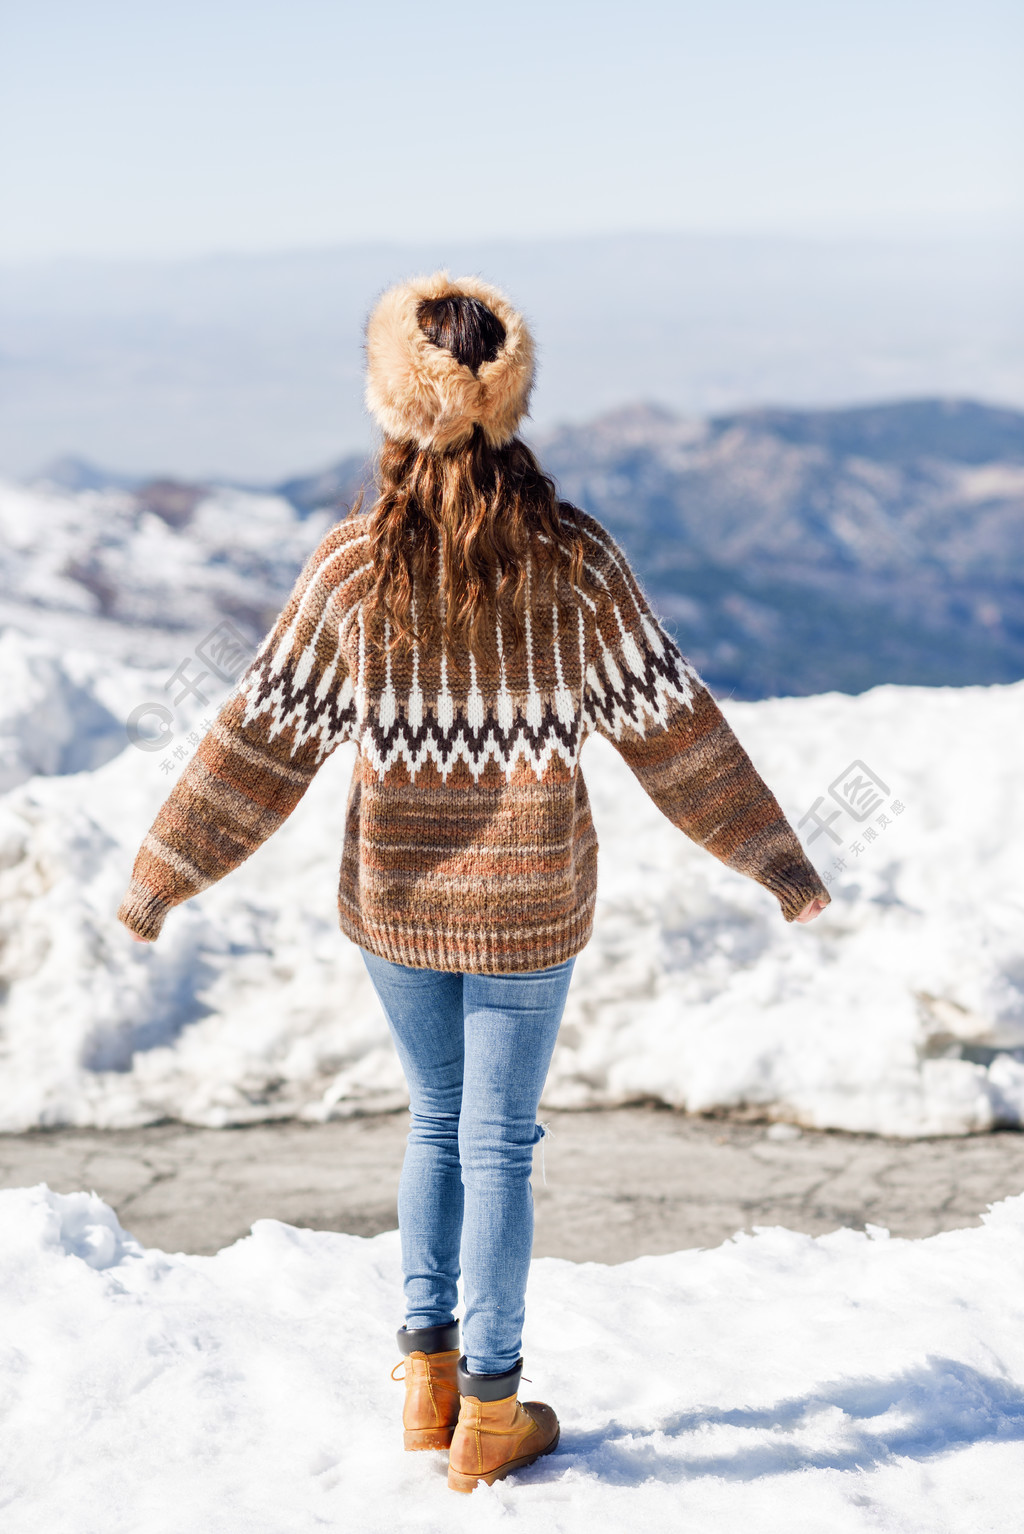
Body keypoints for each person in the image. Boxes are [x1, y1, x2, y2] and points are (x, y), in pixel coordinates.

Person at [118, 271, 830, 1493]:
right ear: (511, 401)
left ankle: (426, 1376)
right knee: (498, 1143)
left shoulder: (352, 568)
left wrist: (160, 873)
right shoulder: (575, 562)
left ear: (391, 406)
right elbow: (676, 732)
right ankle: (491, 1410)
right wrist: (777, 857)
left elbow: (257, 743)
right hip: (529, 911)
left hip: (394, 908)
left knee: (433, 1124)